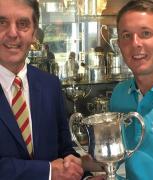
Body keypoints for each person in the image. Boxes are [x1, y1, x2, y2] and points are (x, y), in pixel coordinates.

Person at [0, 0, 103, 180]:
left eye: (23, 24)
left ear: (34, 34)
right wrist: (48, 171)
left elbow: (64, 151)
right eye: (2, 22)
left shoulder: (50, 85)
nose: (12, 33)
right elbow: (53, 169)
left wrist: (85, 177)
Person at [110, 0, 153, 179]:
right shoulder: (120, 94)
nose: (135, 43)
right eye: (126, 36)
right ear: (119, 44)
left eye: (145, 33)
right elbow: (116, 158)